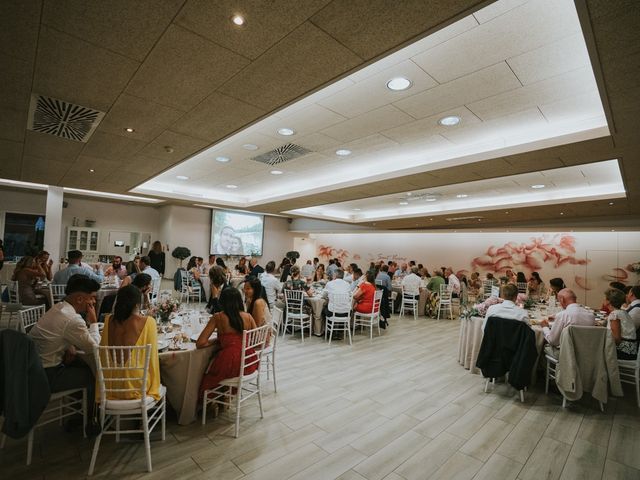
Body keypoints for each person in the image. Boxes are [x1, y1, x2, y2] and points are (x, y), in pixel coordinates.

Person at [29, 274, 102, 429]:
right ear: (80, 299)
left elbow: (61, 336)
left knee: (82, 364)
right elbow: (94, 347)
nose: (94, 302)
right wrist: (94, 322)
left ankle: (78, 413)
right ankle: (91, 420)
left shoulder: (58, 307)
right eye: (92, 298)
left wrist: (70, 345)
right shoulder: (73, 319)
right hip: (45, 376)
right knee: (94, 374)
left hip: (31, 368)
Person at [98, 285, 160, 401]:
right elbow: (153, 359)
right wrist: (154, 385)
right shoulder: (148, 322)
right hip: (137, 387)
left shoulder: (108, 321)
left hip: (110, 387)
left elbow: (103, 354)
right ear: (137, 304)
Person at [197, 288, 258, 399]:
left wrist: (217, 340)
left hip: (229, 361)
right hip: (249, 360)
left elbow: (200, 343)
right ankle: (226, 396)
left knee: (208, 372)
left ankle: (214, 401)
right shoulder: (248, 317)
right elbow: (257, 340)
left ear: (222, 301)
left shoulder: (218, 317)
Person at [604, 288, 638, 360]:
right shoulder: (624, 312)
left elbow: (616, 339)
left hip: (624, 352)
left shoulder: (614, 315)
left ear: (608, 301)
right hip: (632, 351)